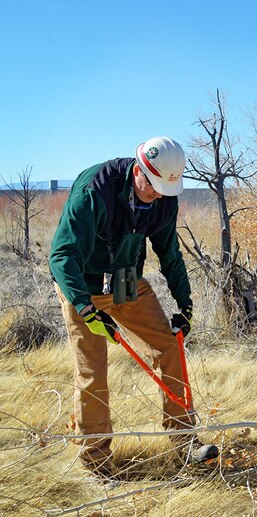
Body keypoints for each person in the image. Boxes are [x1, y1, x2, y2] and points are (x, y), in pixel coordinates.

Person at [49, 136, 218, 483]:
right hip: (83, 284)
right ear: (138, 169)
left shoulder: (163, 200)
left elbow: (170, 253)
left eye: (163, 190)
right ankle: (97, 464)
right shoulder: (95, 190)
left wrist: (184, 303)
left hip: (126, 282)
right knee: (93, 373)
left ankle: (185, 443)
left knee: (170, 348)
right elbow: (62, 256)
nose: (156, 195)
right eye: (152, 186)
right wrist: (85, 307)